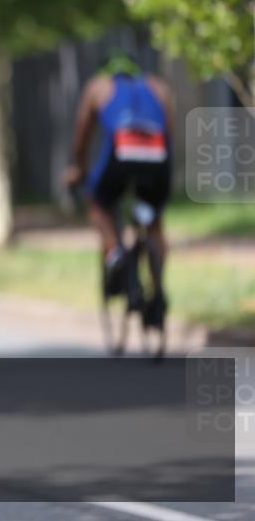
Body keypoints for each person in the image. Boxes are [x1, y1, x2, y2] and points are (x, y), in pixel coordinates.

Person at [64, 50, 173, 328]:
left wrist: (79, 169)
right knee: (155, 220)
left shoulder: (98, 86)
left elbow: (82, 139)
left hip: (122, 152)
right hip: (157, 155)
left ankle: (114, 253)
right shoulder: (157, 86)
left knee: (98, 202)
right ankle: (158, 289)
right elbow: (170, 131)